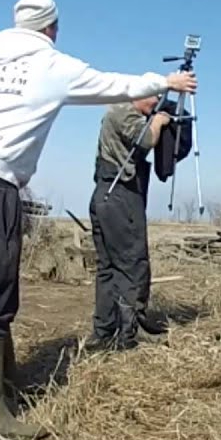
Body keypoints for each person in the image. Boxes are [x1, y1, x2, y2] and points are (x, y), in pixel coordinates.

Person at [0, 0, 198, 440]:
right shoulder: (49, 66)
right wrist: (168, 82)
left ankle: (5, 386)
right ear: (51, 28)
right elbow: (111, 83)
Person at [86, 97, 172, 351]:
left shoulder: (117, 112)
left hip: (105, 193)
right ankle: (128, 333)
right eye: (153, 99)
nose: (155, 105)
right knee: (132, 263)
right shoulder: (124, 112)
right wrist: (157, 122)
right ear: (138, 94)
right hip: (119, 193)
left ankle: (104, 330)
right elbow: (146, 139)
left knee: (108, 268)